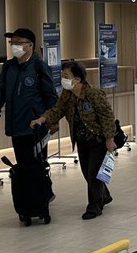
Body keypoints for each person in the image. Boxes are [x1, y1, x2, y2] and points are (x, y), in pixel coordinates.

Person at [31, 59, 117, 220]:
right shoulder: (68, 94)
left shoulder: (93, 94)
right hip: (81, 140)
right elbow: (57, 110)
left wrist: (109, 138)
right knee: (87, 172)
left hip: (97, 140)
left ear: (77, 79)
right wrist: (42, 119)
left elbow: (107, 117)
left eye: (66, 76)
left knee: (93, 174)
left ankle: (94, 206)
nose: (62, 79)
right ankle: (104, 196)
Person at [0, 28, 58, 213]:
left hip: (35, 127)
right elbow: (0, 93)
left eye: (18, 43)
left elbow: (50, 95)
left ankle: (42, 197)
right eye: (12, 43)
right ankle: (30, 200)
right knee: (23, 164)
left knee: (37, 163)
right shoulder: (9, 66)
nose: (14, 46)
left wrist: (52, 120)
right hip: (16, 126)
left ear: (30, 46)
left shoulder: (39, 67)